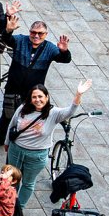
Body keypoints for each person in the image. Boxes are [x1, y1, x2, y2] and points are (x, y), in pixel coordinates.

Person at [5, 79, 92, 207]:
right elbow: (11, 125)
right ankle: (8, 204)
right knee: (12, 180)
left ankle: (19, 208)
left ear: (47, 97)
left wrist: (78, 94)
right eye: (34, 97)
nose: (37, 99)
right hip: (16, 150)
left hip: (36, 156)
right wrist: (7, 143)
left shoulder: (53, 113)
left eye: (40, 96)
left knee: (28, 183)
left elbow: (70, 111)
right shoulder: (23, 109)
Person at [0, 17, 72, 150]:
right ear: (29, 32)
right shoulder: (21, 40)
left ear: (46, 34)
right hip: (13, 87)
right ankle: (1, 137)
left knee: (29, 116)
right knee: (7, 114)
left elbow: (64, 59)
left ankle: (22, 138)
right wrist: (8, 30)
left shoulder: (50, 48)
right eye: (33, 32)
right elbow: (7, 40)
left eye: (40, 33)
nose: (36, 36)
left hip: (33, 92)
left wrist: (64, 51)